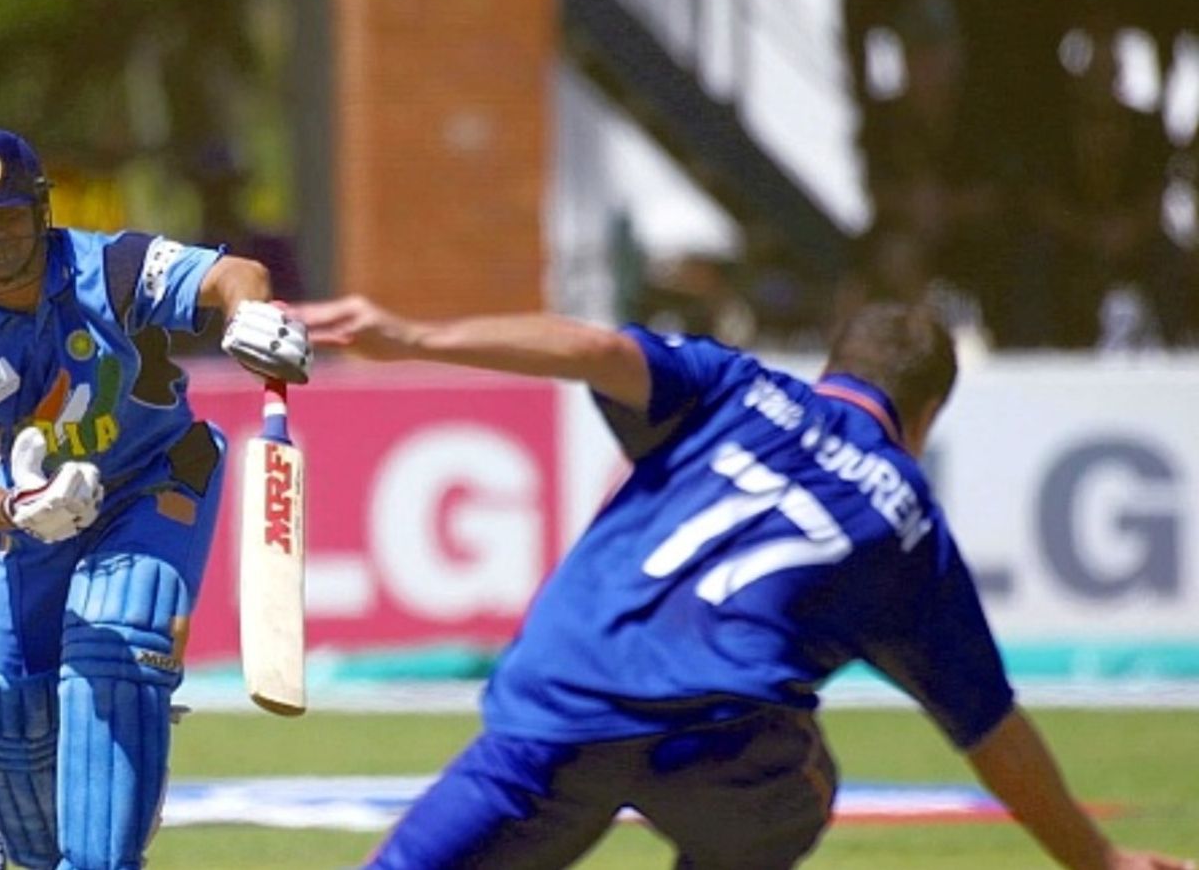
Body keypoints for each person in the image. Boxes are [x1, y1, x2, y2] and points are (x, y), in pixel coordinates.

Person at [294, 296, 1192, 870]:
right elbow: (990, 728)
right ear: (923, 418)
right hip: (718, 742)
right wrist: (1101, 861)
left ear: (830, 368)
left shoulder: (734, 386)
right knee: (809, 790)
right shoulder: (907, 518)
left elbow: (596, 347)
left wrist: (414, 334)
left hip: (555, 707)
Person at [0, 128, 310, 870]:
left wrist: (250, 315)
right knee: (12, 716)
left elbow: (233, 274)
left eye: (8, 218)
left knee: (114, 642)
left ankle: (106, 854)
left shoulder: (109, 268)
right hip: (34, 519)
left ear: (42, 214)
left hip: (154, 477)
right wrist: (21, 511)